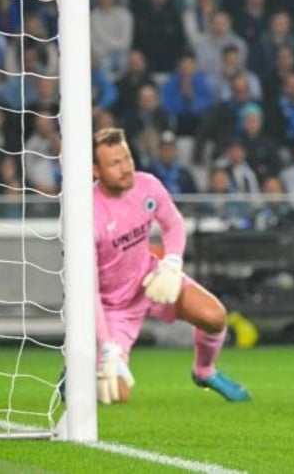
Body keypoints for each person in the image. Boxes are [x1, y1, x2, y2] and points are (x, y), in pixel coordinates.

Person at [91, 127, 251, 404]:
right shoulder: (87, 214)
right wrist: (106, 347)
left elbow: (173, 224)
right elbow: (87, 291)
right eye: (114, 164)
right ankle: (74, 373)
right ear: (96, 170)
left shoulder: (147, 185)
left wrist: (172, 262)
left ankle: (204, 371)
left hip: (151, 278)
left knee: (215, 317)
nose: (126, 168)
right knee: (117, 395)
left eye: (127, 158)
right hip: (112, 306)